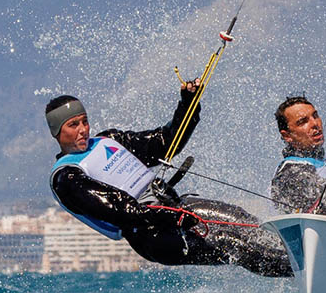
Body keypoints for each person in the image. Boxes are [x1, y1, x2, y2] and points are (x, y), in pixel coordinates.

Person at [46, 80, 291, 276]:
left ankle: (300, 252)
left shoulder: (109, 140)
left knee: (241, 219)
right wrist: (167, 216)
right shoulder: (66, 177)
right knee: (230, 243)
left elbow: (166, 143)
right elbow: (120, 211)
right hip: (154, 236)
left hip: (175, 208)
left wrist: (188, 105)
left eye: (85, 121)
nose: (83, 130)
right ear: (57, 132)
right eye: (73, 125)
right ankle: (298, 271)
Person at [271, 95, 326, 215]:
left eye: (315, 116)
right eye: (303, 122)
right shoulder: (290, 171)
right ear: (287, 136)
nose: (315, 123)